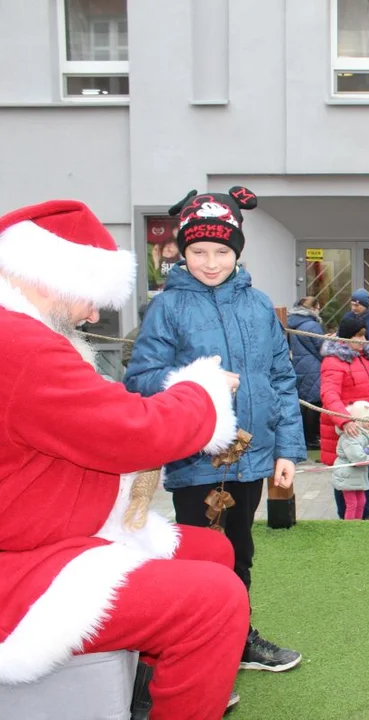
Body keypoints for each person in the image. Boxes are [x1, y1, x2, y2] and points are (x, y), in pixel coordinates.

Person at [0, 200, 248, 718]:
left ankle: (147, 690)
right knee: (215, 598)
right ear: (54, 274)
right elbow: (133, 431)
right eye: (92, 298)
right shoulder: (19, 343)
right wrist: (201, 392)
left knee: (210, 551)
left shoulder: (22, 336)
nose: (93, 315)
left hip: (39, 534)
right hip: (21, 565)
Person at [125, 186, 307, 676]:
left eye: (222, 251)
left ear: (237, 251)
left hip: (252, 456)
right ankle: (198, 651)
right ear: (182, 252)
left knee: (239, 551)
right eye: (199, 251)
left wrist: (287, 448)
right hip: (196, 456)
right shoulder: (167, 308)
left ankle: (238, 637)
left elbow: (282, 379)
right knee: (202, 557)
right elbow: (140, 380)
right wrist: (198, 383)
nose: (210, 262)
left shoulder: (259, 305)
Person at [320, 313, 369, 520]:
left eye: (364, 336)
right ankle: (347, 529)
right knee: (347, 487)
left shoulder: (365, 357)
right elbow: (329, 395)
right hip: (347, 435)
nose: (363, 341)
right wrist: (344, 420)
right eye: (358, 336)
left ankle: (364, 529)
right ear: (346, 336)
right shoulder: (334, 361)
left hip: (367, 433)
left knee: (365, 489)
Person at [331, 400, 369, 520]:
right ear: (359, 419)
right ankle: (350, 526)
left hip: (358, 474)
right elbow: (357, 457)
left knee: (362, 501)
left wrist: (367, 450)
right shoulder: (350, 436)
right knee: (352, 503)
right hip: (347, 474)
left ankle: (357, 524)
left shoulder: (367, 434)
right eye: (368, 420)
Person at [288, 296, 326, 450]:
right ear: (315, 307)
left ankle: (304, 437)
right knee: (314, 402)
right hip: (313, 367)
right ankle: (312, 439)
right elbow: (321, 348)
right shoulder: (312, 325)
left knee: (304, 402)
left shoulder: (292, 322)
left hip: (299, 365)